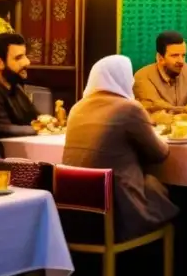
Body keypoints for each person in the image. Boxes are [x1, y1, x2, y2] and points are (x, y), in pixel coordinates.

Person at [63, 55, 178, 241]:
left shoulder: (77, 108)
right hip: (118, 212)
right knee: (157, 187)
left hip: (74, 216)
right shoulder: (128, 108)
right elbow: (160, 153)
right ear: (121, 78)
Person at [133, 31, 187, 111]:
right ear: (160, 58)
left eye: (183, 55)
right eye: (175, 55)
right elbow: (157, 110)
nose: (181, 61)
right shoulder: (143, 76)